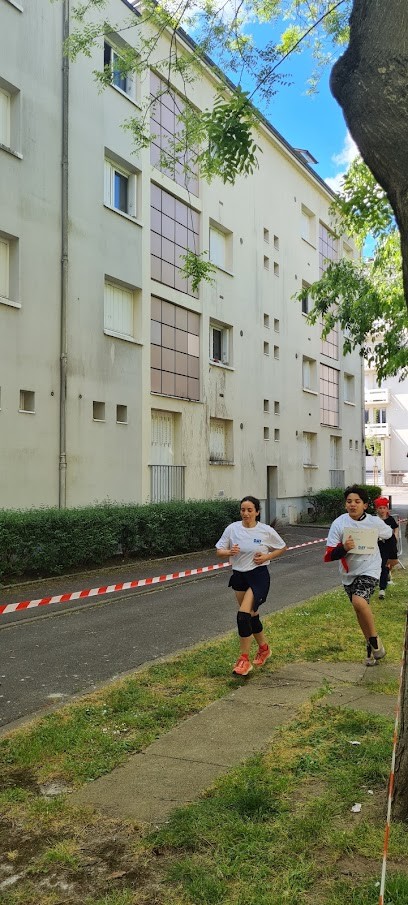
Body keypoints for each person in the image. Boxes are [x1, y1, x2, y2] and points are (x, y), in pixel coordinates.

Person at [216, 495, 287, 676]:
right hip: (239, 575)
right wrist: (229, 552)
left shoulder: (265, 530)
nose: (246, 513)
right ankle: (264, 648)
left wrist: (266, 557)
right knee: (251, 617)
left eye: (249, 510)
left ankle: (243, 660)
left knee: (242, 616)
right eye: (243, 510)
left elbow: (282, 546)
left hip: (258, 576)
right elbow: (219, 551)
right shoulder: (232, 529)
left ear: (257, 512)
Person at [324, 484, 392, 666]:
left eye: (357, 501)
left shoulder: (373, 521)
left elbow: (388, 534)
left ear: (365, 505)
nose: (352, 505)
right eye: (349, 502)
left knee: (359, 601)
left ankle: (375, 639)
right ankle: (370, 647)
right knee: (359, 609)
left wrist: (386, 550)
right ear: (345, 504)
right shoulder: (339, 523)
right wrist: (344, 548)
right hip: (349, 572)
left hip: (370, 568)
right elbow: (329, 555)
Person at [373, 496, 399, 598]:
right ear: (377, 509)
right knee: (382, 565)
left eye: (384, 508)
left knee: (393, 562)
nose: (382, 510)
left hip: (391, 544)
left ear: (387, 509)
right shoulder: (374, 520)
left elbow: (396, 528)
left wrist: (396, 536)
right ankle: (382, 589)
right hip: (379, 545)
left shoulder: (391, 519)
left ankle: (387, 573)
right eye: (380, 508)